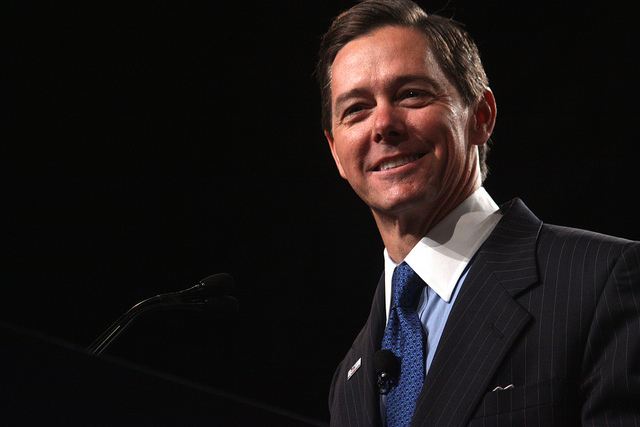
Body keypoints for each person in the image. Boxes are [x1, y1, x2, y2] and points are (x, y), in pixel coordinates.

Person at [315, 0, 640, 425]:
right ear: (336, 152)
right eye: (357, 109)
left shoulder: (601, 280)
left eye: (411, 94)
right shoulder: (349, 379)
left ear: (481, 117)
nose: (383, 125)